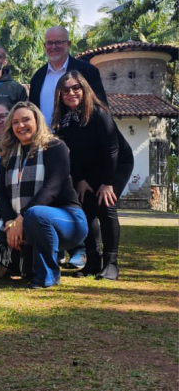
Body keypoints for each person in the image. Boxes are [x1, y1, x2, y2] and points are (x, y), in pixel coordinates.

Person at [0, 101, 87, 289]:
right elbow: (1, 194)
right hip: (26, 219)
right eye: (15, 122)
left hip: (68, 220)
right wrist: (10, 222)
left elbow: (51, 189)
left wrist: (20, 219)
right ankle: (25, 266)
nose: (21, 126)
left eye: (26, 120)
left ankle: (48, 275)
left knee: (36, 213)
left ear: (37, 121)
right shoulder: (7, 155)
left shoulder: (55, 147)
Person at [52, 71, 133, 280]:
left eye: (75, 88)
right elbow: (71, 154)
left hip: (116, 164)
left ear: (84, 89)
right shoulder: (64, 120)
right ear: (60, 95)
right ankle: (93, 260)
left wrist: (107, 183)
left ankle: (111, 264)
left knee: (105, 207)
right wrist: (79, 180)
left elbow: (112, 150)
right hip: (88, 168)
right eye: (65, 90)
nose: (71, 93)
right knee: (86, 209)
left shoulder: (98, 113)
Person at [28, 26, 107, 120]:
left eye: (58, 42)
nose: (53, 46)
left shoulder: (88, 72)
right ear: (45, 46)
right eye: (49, 43)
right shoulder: (37, 77)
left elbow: (101, 108)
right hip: (44, 130)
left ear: (68, 44)